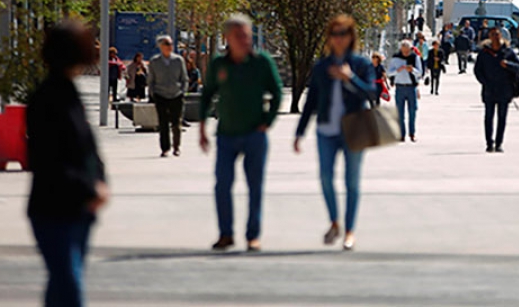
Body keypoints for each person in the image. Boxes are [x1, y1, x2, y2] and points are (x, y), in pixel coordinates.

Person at [27, 20, 109, 307]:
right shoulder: (46, 99)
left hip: (79, 208)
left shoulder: (70, 94)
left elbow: (87, 146)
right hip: (54, 209)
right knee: (69, 284)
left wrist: (100, 180)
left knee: (61, 285)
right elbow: (47, 160)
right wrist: (90, 187)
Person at [199, 14, 283, 252]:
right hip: (226, 135)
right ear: (228, 38)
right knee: (222, 184)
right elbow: (207, 95)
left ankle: (252, 236)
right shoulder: (219, 64)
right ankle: (225, 234)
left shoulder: (261, 62)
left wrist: (267, 121)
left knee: (255, 186)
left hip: (255, 136)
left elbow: (277, 93)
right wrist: (202, 129)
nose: (245, 40)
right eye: (239, 36)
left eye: (247, 35)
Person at [294, 15, 376, 251]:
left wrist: (350, 78)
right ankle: (334, 222)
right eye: (334, 34)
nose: (338, 39)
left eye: (343, 34)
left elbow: (372, 93)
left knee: (352, 181)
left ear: (351, 37)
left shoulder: (361, 64)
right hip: (326, 130)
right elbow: (311, 101)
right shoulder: (322, 66)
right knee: (326, 178)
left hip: (354, 128)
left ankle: (350, 231)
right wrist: (300, 132)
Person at [474, 28, 519, 153]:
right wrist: (485, 82)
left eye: (497, 34)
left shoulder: (508, 52)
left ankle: (499, 143)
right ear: (489, 37)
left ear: (501, 36)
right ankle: (489, 143)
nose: (495, 37)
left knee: (502, 118)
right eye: (492, 35)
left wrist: (508, 65)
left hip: (504, 90)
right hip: (489, 90)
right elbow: (477, 70)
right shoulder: (484, 53)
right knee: (488, 117)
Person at [147, 36, 188, 157]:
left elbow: (184, 78)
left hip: (176, 95)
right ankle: (165, 148)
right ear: (160, 46)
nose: (170, 46)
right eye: (167, 44)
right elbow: (151, 80)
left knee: (176, 123)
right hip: (160, 95)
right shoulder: (154, 62)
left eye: (171, 43)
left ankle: (176, 147)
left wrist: (182, 91)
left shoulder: (178, 60)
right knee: (163, 123)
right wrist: (152, 93)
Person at [388, 39, 423, 142]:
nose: (405, 53)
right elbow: (389, 73)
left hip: (411, 87)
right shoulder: (395, 58)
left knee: (412, 111)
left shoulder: (414, 58)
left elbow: (420, 73)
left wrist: (412, 70)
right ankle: (401, 134)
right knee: (400, 112)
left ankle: (412, 133)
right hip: (399, 87)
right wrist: (397, 71)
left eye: (407, 51)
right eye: (404, 51)